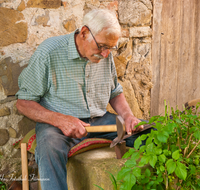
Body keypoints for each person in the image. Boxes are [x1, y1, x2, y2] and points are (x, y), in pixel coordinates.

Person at [16, 9, 150, 190]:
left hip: (101, 120)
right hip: (56, 126)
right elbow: (23, 103)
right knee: (49, 148)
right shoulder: (49, 52)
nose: (105, 54)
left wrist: (128, 117)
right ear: (85, 33)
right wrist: (59, 119)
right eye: (102, 46)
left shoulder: (105, 55)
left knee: (153, 133)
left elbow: (114, 92)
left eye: (110, 48)